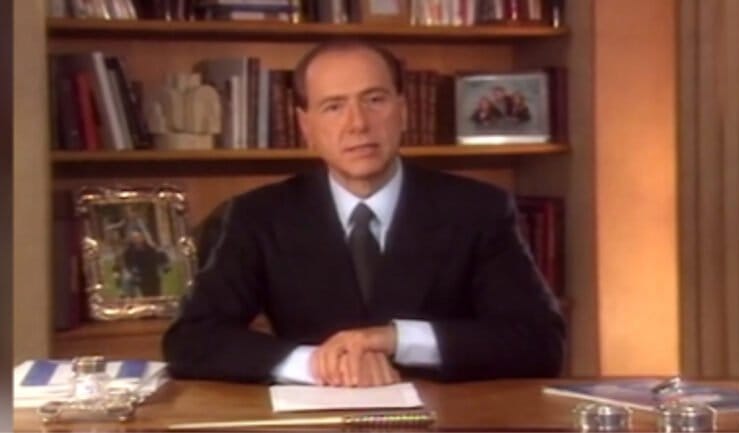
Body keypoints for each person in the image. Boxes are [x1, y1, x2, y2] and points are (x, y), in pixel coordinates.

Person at [163, 40, 565, 387]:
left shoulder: (478, 209)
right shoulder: (258, 215)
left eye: (374, 100)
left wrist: (396, 339)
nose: (357, 124)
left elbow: (539, 343)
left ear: (403, 110)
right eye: (333, 106)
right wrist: (316, 364)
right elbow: (192, 340)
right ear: (306, 126)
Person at [120, 229, 169, 297]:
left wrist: (163, 266)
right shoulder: (129, 252)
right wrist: (132, 271)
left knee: (155, 292)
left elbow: (160, 256)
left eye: (138, 237)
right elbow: (127, 263)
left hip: (152, 274)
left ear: (142, 238)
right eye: (134, 238)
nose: (137, 240)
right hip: (139, 275)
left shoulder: (150, 249)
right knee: (132, 283)